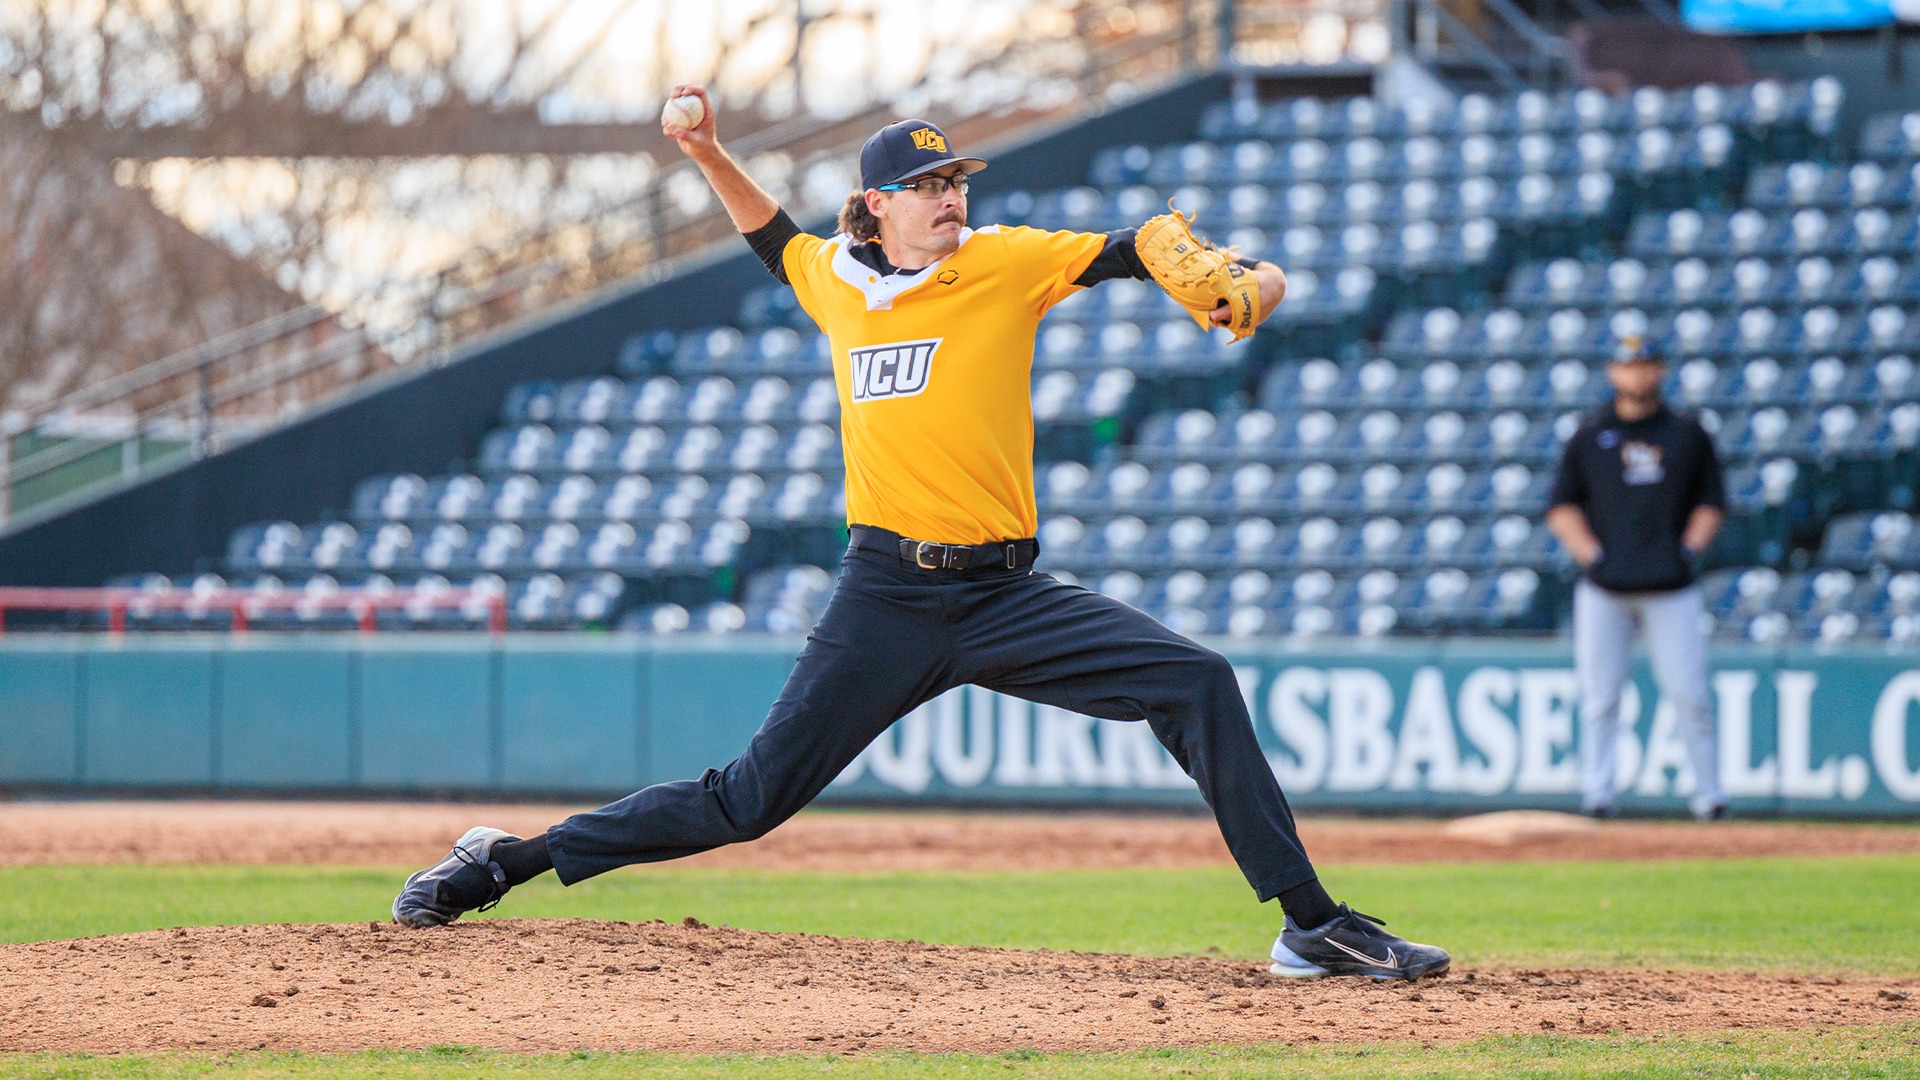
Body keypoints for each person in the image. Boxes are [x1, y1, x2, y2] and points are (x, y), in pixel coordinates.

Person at [393, 84, 1451, 982]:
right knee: (748, 801)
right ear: (877, 205)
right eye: (928, 185)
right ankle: (505, 861)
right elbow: (773, 238)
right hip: (886, 598)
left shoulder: (1004, 260)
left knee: (1197, 682)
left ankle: (1311, 925)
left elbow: (1136, 250)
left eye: (956, 181)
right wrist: (707, 150)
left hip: (1004, 596)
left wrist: (1252, 279)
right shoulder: (839, 282)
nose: (951, 197)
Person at [1546, 334, 1728, 821]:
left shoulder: (1686, 433)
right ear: (1612, 372)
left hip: (1671, 588)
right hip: (1605, 589)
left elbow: (1712, 502)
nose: (1638, 374)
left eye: (1646, 364)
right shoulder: (1591, 433)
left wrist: (1688, 549)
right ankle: (1598, 795)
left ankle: (1710, 796)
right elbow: (1561, 505)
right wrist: (1591, 556)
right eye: (1628, 365)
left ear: (1660, 370)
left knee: (1690, 695)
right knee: (1600, 698)